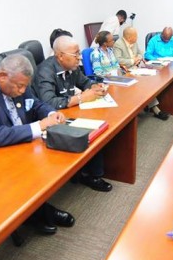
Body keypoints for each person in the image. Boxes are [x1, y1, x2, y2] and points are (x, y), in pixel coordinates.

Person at [0, 54, 75, 235]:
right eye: (19, 86)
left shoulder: (17, 82)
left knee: (54, 156)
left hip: (14, 142)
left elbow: (35, 104)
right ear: (3, 76)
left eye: (25, 86)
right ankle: (35, 214)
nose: (22, 91)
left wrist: (51, 113)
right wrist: (40, 125)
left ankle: (36, 208)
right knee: (31, 164)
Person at [33, 36, 113, 192]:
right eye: (75, 54)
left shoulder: (72, 67)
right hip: (52, 119)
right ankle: (90, 175)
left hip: (68, 113)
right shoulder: (45, 71)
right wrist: (82, 97)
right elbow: (48, 102)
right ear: (60, 56)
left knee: (101, 122)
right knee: (91, 128)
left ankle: (87, 172)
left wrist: (96, 87)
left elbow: (84, 82)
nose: (80, 57)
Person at [113, 27, 169, 120]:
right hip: (125, 72)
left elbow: (140, 53)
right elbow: (118, 60)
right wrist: (132, 60)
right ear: (129, 37)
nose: (137, 37)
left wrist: (137, 58)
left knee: (147, 84)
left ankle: (153, 107)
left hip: (136, 69)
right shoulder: (118, 44)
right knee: (142, 85)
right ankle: (154, 109)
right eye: (136, 36)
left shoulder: (133, 42)